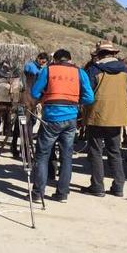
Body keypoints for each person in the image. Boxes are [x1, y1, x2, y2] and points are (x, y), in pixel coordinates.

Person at [30, 49, 94, 203]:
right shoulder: (80, 73)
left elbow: (34, 92)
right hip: (71, 120)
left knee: (43, 156)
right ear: (70, 60)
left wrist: (45, 97)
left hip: (51, 119)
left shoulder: (49, 70)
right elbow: (90, 98)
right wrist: (75, 102)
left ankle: (38, 193)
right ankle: (62, 194)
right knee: (67, 157)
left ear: (56, 60)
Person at [83, 40, 127, 197]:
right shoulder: (125, 70)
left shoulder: (94, 69)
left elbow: (87, 89)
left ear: (99, 54)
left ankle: (97, 187)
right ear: (114, 54)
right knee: (115, 152)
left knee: (96, 152)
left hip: (97, 115)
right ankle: (118, 187)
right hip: (117, 116)